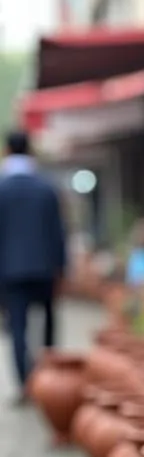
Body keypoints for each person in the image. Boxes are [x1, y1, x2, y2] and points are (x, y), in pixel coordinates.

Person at [0, 130, 66, 401]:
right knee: (48, 322)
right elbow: (58, 233)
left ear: (7, 150)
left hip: (10, 272)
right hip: (44, 269)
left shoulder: (1, 189)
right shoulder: (46, 188)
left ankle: (26, 384)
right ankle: (49, 378)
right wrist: (62, 268)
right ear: (30, 150)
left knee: (17, 328)